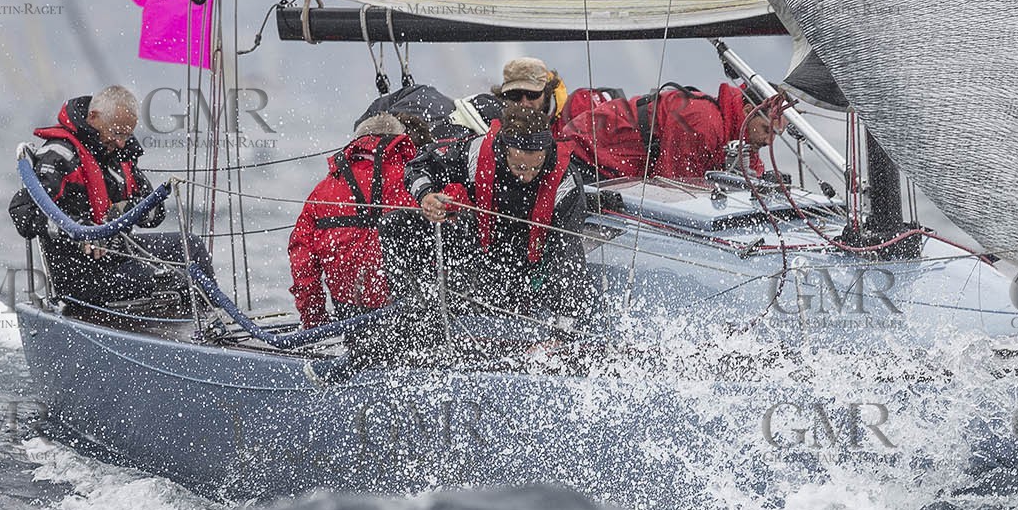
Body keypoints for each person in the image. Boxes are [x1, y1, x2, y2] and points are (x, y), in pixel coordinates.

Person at [9, 86, 209, 310]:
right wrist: (80, 230)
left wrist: (128, 209)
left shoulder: (119, 154)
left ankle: (212, 322)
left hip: (121, 255)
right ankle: (187, 331)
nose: (122, 142)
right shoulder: (59, 155)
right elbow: (23, 212)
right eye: (117, 133)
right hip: (80, 273)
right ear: (93, 117)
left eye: (126, 134)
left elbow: (156, 212)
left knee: (191, 246)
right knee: (177, 279)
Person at [403, 103, 595, 335]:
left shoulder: (566, 183)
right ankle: (421, 317)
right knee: (395, 225)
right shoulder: (476, 152)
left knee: (569, 272)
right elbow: (420, 164)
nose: (527, 176)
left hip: (535, 269)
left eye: (536, 168)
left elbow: (569, 258)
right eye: (519, 167)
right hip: (480, 254)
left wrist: (563, 331)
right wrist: (426, 196)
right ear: (504, 151)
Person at [288, 114, 426, 329]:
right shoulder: (417, 184)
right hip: (413, 314)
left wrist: (314, 319)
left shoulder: (322, 192)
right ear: (401, 141)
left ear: (355, 143)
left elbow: (303, 262)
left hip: (350, 315)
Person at [559, 81, 783, 182]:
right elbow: (672, 187)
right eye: (766, 130)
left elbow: (751, 171)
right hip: (585, 155)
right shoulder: (702, 124)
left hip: (612, 167)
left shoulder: (737, 134)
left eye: (776, 134)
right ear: (746, 111)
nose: (768, 141)